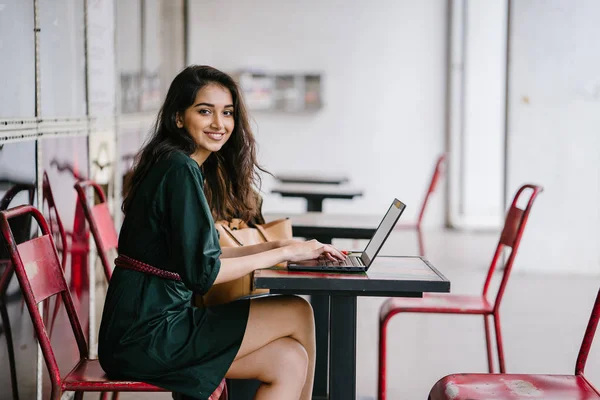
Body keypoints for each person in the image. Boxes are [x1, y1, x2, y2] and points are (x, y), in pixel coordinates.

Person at [98, 65, 346, 400]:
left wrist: (282, 244)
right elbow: (205, 273)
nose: (219, 124)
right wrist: (284, 253)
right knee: (296, 310)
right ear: (177, 118)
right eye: (205, 111)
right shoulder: (179, 168)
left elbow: (204, 255)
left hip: (143, 327)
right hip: (150, 333)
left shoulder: (175, 164)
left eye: (227, 113)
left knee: (287, 360)